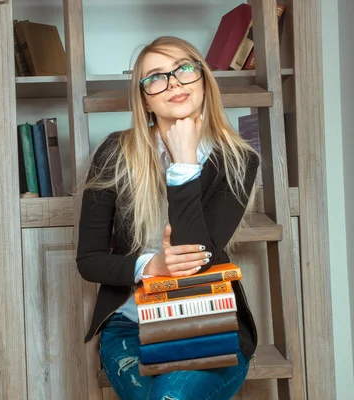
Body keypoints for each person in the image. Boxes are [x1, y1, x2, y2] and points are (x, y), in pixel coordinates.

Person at [75, 36, 260, 400]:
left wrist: (184, 162)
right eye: (156, 77)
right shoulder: (115, 152)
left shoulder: (239, 161)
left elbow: (195, 255)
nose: (174, 82)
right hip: (131, 328)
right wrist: (152, 265)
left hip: (210, 324)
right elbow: (89, 261)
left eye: (184, 69)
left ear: (203, 80)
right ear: (144, 98)